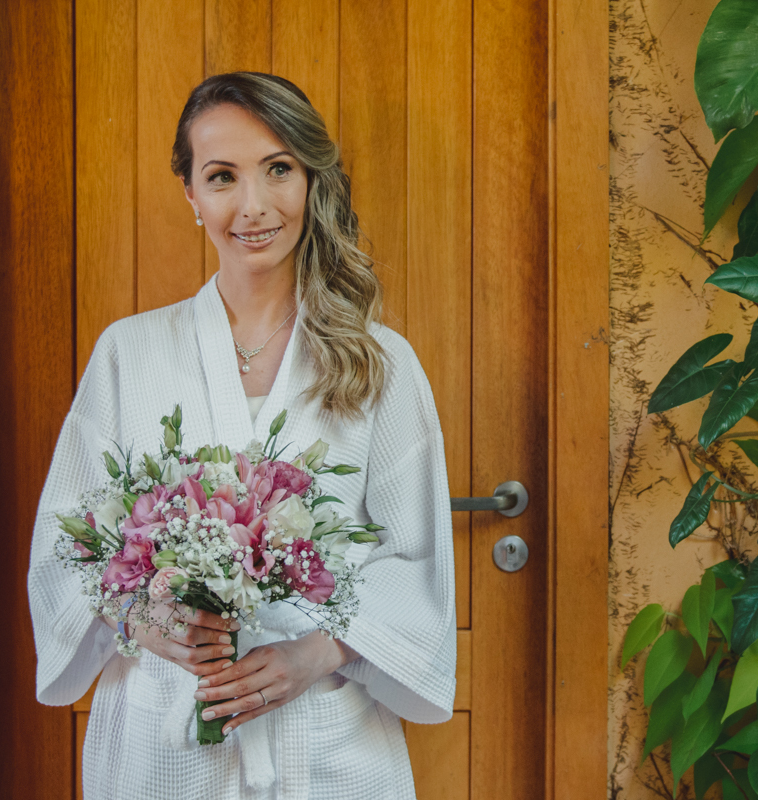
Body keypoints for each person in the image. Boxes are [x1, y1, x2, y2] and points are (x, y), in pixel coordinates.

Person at [27, 72, 457, 800]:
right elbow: (69, 547)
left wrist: (313, 655)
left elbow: (413, 561)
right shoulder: (129, 355)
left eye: (278, 169)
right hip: (163, 738)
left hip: (325, 744)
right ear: (192, 195)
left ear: (310, 180)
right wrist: (145, 620)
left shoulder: (379, 363)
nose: (253, 206)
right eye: (222, 176)